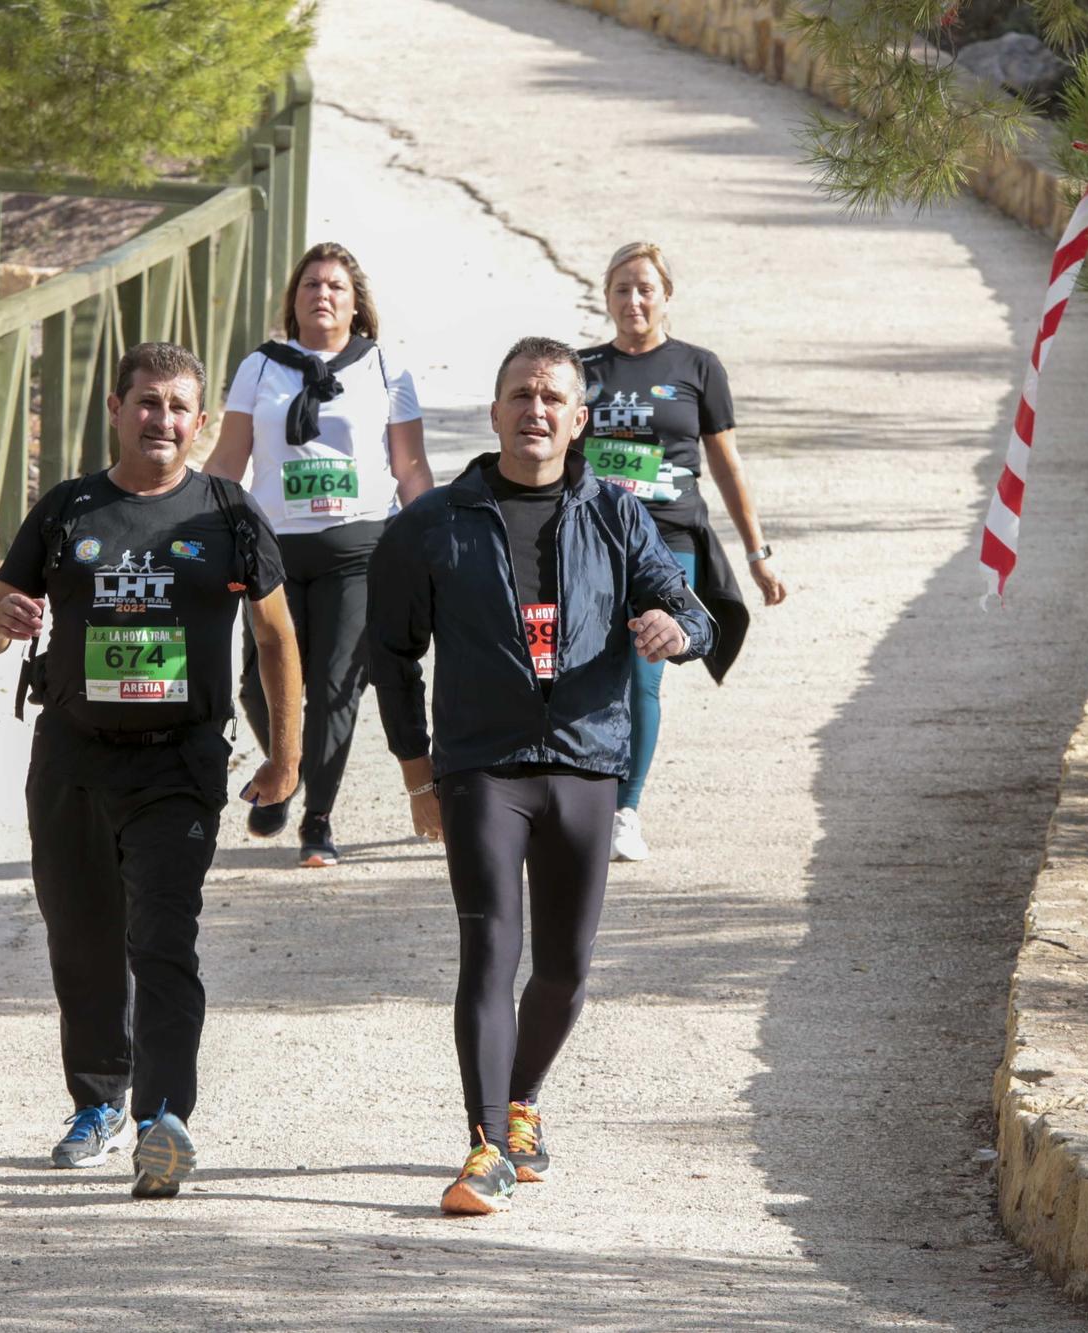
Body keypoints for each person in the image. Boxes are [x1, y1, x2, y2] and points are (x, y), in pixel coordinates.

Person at [365, 336, 713, 1216]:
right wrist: (419, 775)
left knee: (565, 967)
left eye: (554, 397)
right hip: (484, 766)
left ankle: (518, 1102)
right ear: (494, 412)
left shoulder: (615, 514)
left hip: (590, 762)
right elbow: (392, 653)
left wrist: (679, 630)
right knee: (491, 948)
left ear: (580, 419)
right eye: (521, 394)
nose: (536, 410)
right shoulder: (434, 522)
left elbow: (688, 605)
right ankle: (484, 1147)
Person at [0, 342, 301, 1199]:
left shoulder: (227, 512)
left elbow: (275, 639)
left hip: (179, 763)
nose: (161, 420)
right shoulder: (68, 508)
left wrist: (287, 756)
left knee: (162, 939)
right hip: (73, 757)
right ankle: (98, 1102)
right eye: (145, 403)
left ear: (201, 422)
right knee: (82, 941)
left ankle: (162, 1119)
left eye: (178, 407)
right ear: (115, 409)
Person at [205, 241, 433, 868]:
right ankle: (286, 767)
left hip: (360, 547)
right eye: (311, 284)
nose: (322, 294)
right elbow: (228, 462)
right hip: (271, 547)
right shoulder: (259, 367)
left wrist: (435, 538)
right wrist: (190, 524)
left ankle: (318, 821)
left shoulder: (385, 368)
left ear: (356, 303)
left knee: (336, 687)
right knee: (257, 683)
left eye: (335, 286)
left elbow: (410, 467)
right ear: (294, 299)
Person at [577, 241, 787, 863]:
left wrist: (758, 552)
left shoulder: (698, 366)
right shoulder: (581, 367)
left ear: (667, 295)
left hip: (665, 543)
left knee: (644, 673)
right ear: (606, 296)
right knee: (579, 669)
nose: (633, 300)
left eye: (645, 288)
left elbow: (726, 462)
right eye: (622, 288)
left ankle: (624, 810)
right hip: (590, 538)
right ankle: (575, 796)